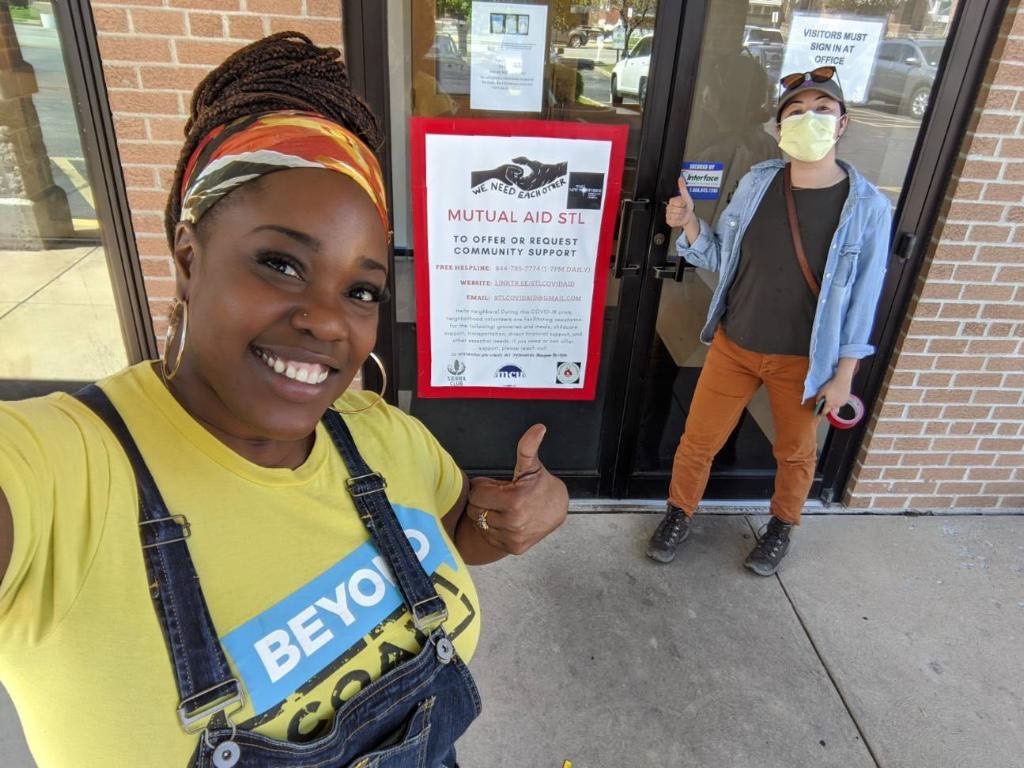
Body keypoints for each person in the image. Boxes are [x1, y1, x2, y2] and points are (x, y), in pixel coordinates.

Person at [0, 33, 568, 767]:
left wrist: (519, 515)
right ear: (187, 258)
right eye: (281, 263)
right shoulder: (62, 475)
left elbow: (458, 531)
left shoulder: (379, 435)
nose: (331, 321)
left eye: (361, 290)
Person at [646, 66, 891, 575]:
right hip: (735, 345)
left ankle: (782, 524)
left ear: (842, 123)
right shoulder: (759, 183)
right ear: (780, 130)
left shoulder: (867, 208)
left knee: (795, 453)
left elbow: (864, 301)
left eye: (823, 110)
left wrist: (843, 375)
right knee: (698, 440)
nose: (809, 119)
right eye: (796, 112)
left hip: (803, 362)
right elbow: (721, 259)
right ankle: (678, 513)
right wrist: (690, 223)